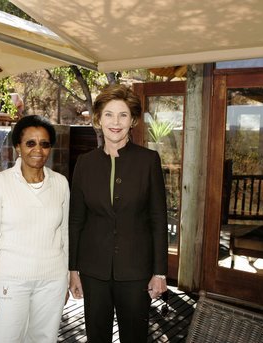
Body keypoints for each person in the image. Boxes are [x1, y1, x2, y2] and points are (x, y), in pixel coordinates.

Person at [69, 84, 168, 342]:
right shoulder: (84, 163)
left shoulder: (149, 161)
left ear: (133, 120)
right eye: (109, 114)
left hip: (136, 271)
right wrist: (73, 269)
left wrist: (159, 272)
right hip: (93, 271)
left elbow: (158, 218)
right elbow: (76, 220)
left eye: (123, 115)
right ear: (98, 119)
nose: (116, 122)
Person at [0, 115, 70, 342]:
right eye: (30, 143)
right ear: (18, 147)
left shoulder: (60, 183)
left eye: (44, 143)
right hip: (10, 281)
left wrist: (66, 278)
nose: (37, 149)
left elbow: (64, 233)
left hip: (53, 281)